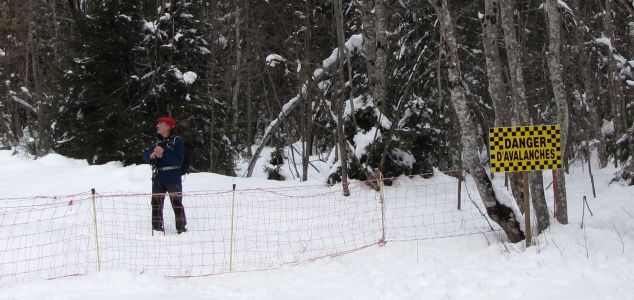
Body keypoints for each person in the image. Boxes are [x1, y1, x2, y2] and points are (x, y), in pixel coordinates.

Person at [143, 117, 187, 234]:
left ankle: (181, 228)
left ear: (168, 126)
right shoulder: (156, 141)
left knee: (176, 203)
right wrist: (151, 155)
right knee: (156, 203)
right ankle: (157, 228)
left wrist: (163, 154)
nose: (158, 126)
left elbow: (178, 160)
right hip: (158, 177)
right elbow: (146, 155)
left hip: (173, 177)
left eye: (161, 124)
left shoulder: (177, 141)